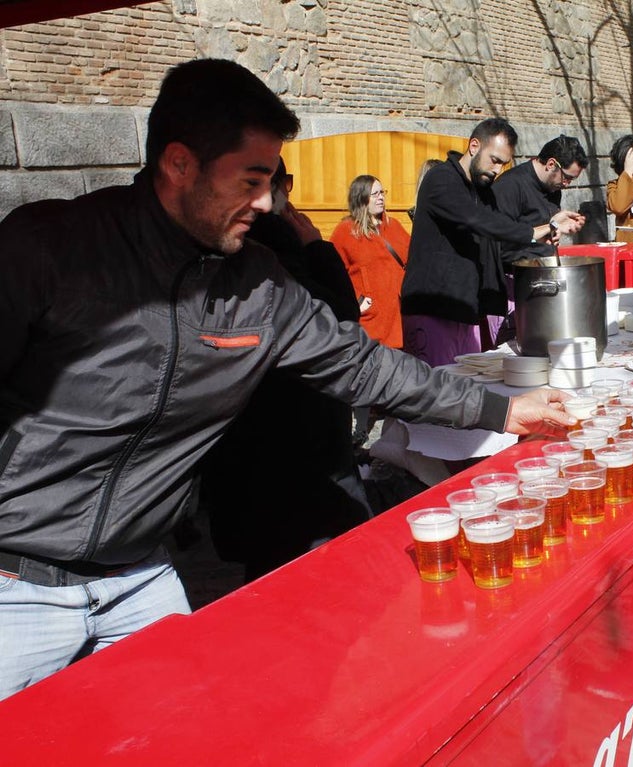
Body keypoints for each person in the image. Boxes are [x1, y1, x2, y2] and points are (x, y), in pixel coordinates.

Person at [0, 58, 573, 700]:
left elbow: (364, 366)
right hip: (15, 585)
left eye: (272, 180)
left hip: (142, 578)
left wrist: (502, 411)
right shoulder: (49, 249)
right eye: (251, 179)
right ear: (179, 164)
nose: (268, 202)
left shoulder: (261, 284)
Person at [199, 159, 373, 583]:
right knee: (305, 561)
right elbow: (339, 318)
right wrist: (316, 245)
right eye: (282, 184)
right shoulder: (268, 243)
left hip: (259, 437)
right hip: (292, 432)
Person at [400, 118, 582, 366]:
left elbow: (497, 230)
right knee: (438, 394)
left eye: (503, 164)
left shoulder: (482, 190)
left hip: (465, 308)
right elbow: (478, 221)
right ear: (474, 146)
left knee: (472, 389)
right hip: (433, 308)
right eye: (494, 160)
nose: (497, 170)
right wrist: (536, 230)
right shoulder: (441, 179)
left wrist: (549, 224)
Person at [331, 175, 409, 349]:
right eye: (375, 194)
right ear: (361, 197)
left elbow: (411, 260)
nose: (381, 197)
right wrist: (357, 300)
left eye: (382, 192)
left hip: (400, 317)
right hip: (372, 323)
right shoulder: (346, 231)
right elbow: (332, 273)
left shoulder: (393, 225)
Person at [492, 134, 587, 262]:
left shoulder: (554, 187)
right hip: (515, 272)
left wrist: (554, 232)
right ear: (551, 164)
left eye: (572, 179)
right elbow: (500, 241)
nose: (567, 184)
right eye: (567, 177)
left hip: (545, 266)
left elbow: (545, 230)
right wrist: (551, 226)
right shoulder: (510, 185)